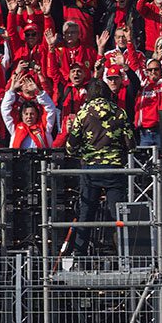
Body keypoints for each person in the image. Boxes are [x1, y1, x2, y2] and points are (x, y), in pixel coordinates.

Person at [62, 86, 131, 261]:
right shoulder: (119, 112)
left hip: (91, 169)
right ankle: (125, 256)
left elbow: (70, 147)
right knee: (119, 215)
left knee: (86, 213)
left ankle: (79, 256)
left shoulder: (83, 113)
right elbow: (131, 144)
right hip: (114, 169)